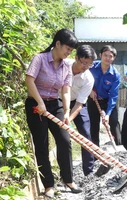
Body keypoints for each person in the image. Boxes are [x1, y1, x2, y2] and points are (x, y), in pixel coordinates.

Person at [25, 29, 82, 199]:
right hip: (36, 104)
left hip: (54, 104)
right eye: (67, 49)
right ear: (57, 43)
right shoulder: (40, 59)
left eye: (71, 51)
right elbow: (29, 80)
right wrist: (40, 102)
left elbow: (65, 90)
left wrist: (65, 112)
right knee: (42, 145)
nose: (68, 53)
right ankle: (48, 184)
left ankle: (68, 180)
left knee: (65, 140)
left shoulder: (66, 66)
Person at [59, 45, 96, 176]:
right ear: (76, 58)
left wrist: (68, 118)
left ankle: (89, 171)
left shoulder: (89, 78)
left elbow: (80, 103)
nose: (86, 67)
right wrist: (64, 111)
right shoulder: (63, 65)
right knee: (62, 136)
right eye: (84, 63)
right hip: (57, 99)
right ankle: (65, 173)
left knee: (85, 134)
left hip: (76, 103)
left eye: (90, 64)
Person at [88, 45, 122, 147]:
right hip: (93, 99)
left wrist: (107, 114)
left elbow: (113, 96)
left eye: (110, 56)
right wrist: (89, 90)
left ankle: (119, 149)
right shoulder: (91, 67)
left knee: (114, 123)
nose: (107, 58)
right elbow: (82, 77)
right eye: (105, 55)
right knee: (93, 126)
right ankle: (95, 152)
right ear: (100, 55)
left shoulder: (115, 75)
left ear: (114, 58)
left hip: (108, 101)